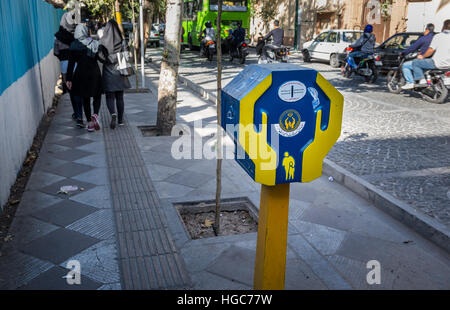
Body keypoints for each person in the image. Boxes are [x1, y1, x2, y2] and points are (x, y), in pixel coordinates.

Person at [66, 24, 103, 131]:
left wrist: (69, 79)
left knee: (85, 98)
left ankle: (90, 123)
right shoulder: (93, 43)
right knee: (97, 95)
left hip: (80, 74)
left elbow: (71, 64)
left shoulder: (73, 45)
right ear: (85, 31)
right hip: (94, 72)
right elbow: (100, 59)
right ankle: (95, 114)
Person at [97, 20, 131, 129]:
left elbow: (100, 58)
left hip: (108, 72)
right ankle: (120, 121)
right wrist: (118, 56)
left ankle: (113, 114)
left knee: (109, 96)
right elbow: (126, 56)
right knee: (120, 97)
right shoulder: (122, 40)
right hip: (120, 71)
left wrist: (108, 59)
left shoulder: (102, 41)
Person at [405, 19, 450, 89]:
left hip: (438, 63)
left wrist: (422, 56)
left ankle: (422, 80)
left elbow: (430, 50)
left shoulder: (438, 36)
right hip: (448, 65)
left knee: (416, 62)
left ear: (443, 27)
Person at [54, 10, 78, 120]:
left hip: (65, 67)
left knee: (71, 90)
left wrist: (64, 59)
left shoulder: (57, 37)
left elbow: (56, 52)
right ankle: (81, 112)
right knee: (79, 89)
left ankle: (76, 112)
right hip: (77, 66)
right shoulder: (76, 35)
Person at [400, 23, 435, 89]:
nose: (424, 32)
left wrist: (403, 52)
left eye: (425, 30)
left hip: (424, 60)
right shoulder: (435, 37)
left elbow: (413, 47)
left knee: (405, 65)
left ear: (427, 30)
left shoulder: (424, 38)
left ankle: (410, 82)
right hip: (433, 60)